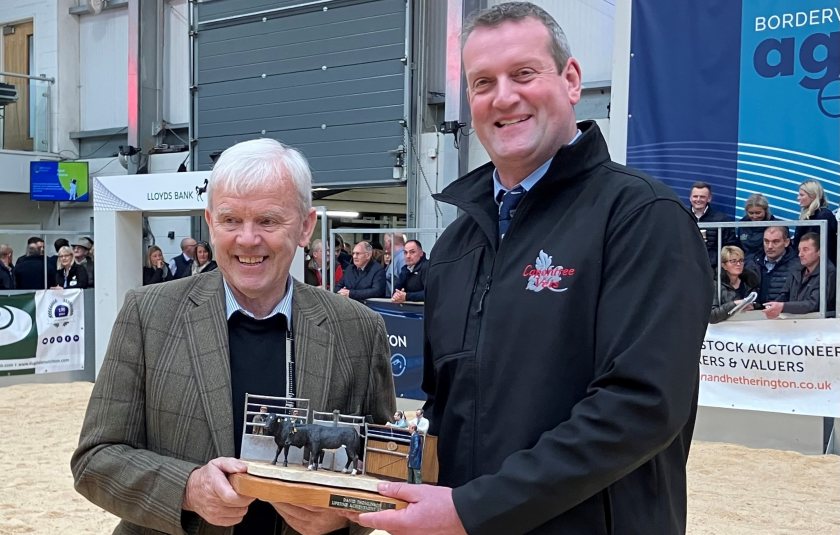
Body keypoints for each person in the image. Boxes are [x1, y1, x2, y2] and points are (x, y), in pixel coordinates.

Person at [356, 4, 711, 534]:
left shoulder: (640, 218)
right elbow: (446, 404)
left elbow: (640, 407)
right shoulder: (456, 246)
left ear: (570, 80)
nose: (504, 96)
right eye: (483, 83)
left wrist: (476, 511)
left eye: (523, 73)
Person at [71, 137, 396, 534]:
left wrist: (344, 513)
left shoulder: (358, 329)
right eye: (230, 220)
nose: (247, 239)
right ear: (210, 222)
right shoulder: (148, 314)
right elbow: (95, 459)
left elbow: (382, 469)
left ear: (305, 227)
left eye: (268, 220)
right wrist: (187, 489)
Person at [764, 232, 836, 319]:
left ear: (820, 252)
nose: (800, 254)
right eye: (799, 250)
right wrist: (771, 307)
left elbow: (814, 304)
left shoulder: (829, 273)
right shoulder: (796, 269)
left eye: (805, 250)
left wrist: (783, 306)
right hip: (794, 322)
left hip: (818, 325)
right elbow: (784, 294)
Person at [745, 226, 801, 305]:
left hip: (784, 315)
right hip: (755, 314)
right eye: (766, 241)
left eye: (775, 242)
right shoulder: (752, 263)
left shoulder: (797, 266)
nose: (770, 246)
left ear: (786, 242)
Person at [688, 181, 738, 268]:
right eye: (695, 196)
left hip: (713, 270)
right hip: (687, 267)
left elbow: (730, 248)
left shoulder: (722, 220)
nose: (698, 199)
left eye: (702, 197)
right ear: (690, 198)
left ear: (709, 198)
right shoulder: (682, 216)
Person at [709, 246, 759, 324]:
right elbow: (711, 316)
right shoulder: (715, 285)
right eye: (733, 261)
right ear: (724, 265)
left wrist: (754, 306)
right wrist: (735, 304)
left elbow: (761, 304)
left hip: (749, 327)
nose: (738, 264)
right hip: (724, 331)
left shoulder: (750, 281)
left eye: (741, 260)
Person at [793, 180, 838, 266]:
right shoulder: (806, 216)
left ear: (813, 196)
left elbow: (827, 247)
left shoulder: (824, 215)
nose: (798, 198)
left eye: (802, 195)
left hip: (821, 269)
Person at [738, 193, 778, 258]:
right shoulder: (742, 225)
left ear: (766, 210)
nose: (754, 216)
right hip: (745, 264)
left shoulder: (777, 226)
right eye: (751, 213)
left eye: (758, 213)